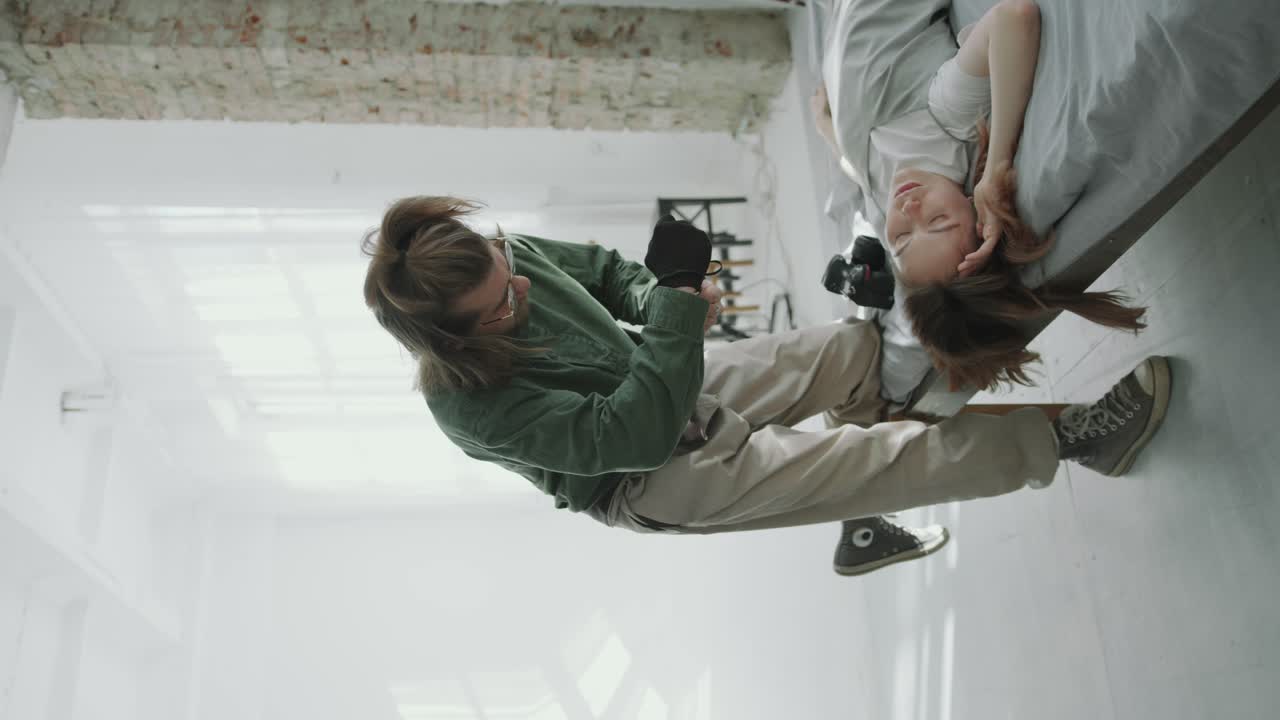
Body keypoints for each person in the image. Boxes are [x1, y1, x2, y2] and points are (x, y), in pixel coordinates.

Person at [361, 196, 1173, 576]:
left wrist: (664, 294)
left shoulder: (499, 257)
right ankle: (1072, 438)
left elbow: (610, 276)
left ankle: (859, 528)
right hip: (648, 473)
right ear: (450, 336)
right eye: (501, 307)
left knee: (852, 351)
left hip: (662, 380)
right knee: (883, 460)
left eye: (509, 269)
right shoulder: (464, 405)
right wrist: (678, 313)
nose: (520, 291)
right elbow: (630, 435)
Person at [813, 0, 1145, 390]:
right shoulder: (946, 120)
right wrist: (997, 166)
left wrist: (826, 130)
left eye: (901, 239)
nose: (908, 207)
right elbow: (1014, 16)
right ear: (974, 208)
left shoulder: (884, 198)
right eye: (938, 221)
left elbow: (856, 172)